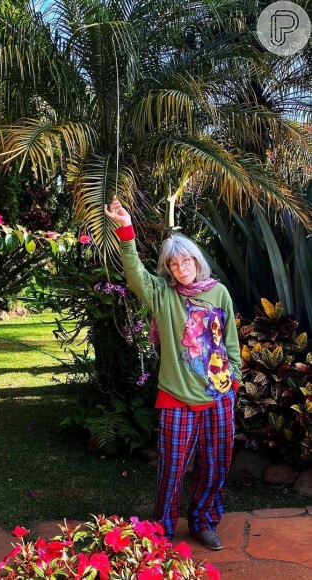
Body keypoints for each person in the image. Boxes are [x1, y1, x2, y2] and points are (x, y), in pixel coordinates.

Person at [104, 195, 242, 550]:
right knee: (172, 470)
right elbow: (134, 272)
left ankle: (203, 522)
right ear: (168, 270)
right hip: (176, 397)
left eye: (187, 261)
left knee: (214, 467)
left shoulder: (219, 293)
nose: (182, 268)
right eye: (174, 264)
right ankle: (162, 532)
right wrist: (125, 229)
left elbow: (230, 342)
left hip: (218, 396)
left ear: (197, 261)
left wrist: (234, 380)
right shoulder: (162, 295)